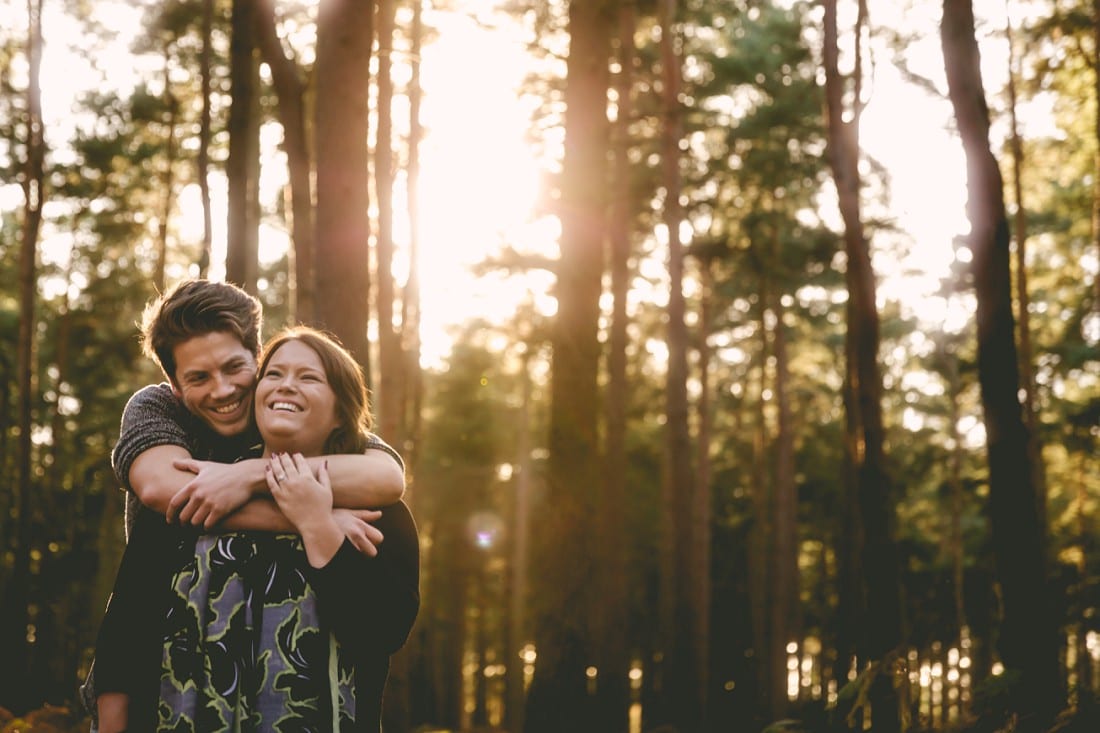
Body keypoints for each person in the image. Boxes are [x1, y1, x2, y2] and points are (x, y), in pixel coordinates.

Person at [85, 280, 405, 732]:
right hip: (168, 691)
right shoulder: (159, 411)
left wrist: (248, 476)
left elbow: (386, 475)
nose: (222, 390)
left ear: (258, 359)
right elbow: (163, 495)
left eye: (235, 368)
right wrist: (310, 518)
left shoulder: (286, 411)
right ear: (174, 387)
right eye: (198, 378)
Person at [156, 326, 419, 731]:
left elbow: (380, 634)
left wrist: (316, 523)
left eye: (309, 377)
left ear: (339, 414)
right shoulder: (201, 482)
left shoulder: (380, 513)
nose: (286, 386)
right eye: (274, 374)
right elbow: (137, 609)